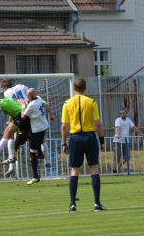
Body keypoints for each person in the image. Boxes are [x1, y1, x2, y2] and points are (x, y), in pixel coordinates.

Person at [61, 77, 106, 212]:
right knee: (94, 168)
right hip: (90, 137)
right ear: (85, 88)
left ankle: (73, 204)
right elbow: (98, 124)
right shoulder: (91, 102)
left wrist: (64, 143)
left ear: (74, 89)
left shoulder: (67, 103)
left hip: (75, 138)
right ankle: (97, 203)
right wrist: (102, 140)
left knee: (74, 170)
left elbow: (64, 126)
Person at [18, 88, 51, 184]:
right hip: (44, 126)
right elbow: (45, 104)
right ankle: (42, 155)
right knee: (41, 143)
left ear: (30, 96)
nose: (27, 97)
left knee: (32, 152)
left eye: (28, 95)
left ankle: (35, 176)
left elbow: (23, 116)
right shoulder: (39, 98)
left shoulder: (32, 105)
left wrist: (23, 105)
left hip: (37, 130)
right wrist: (51, 114)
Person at [113, 108, 144, 173]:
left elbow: (134, 128)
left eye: (123, 113)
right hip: (117, 141)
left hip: (126, 141)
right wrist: (119, 135)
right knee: (117, 156)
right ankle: (114, 170)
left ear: (126, 113)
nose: (122, 114)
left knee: (127, 157)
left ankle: (118, 166)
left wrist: (141, 134)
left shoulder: (128, 120)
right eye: (121, 113)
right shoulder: (118, 120)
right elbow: (118, 128)